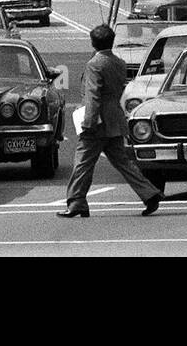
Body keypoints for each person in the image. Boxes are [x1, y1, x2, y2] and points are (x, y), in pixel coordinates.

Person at [58, 24, 163, 218]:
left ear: (93, 42)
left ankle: (76, 201)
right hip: (115, 118)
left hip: (97, 122)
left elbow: (93, 96)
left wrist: (88, 123)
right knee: (123, 163)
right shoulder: (119, 62)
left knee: (82, 162)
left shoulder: (95, 64)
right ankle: (150, 194)